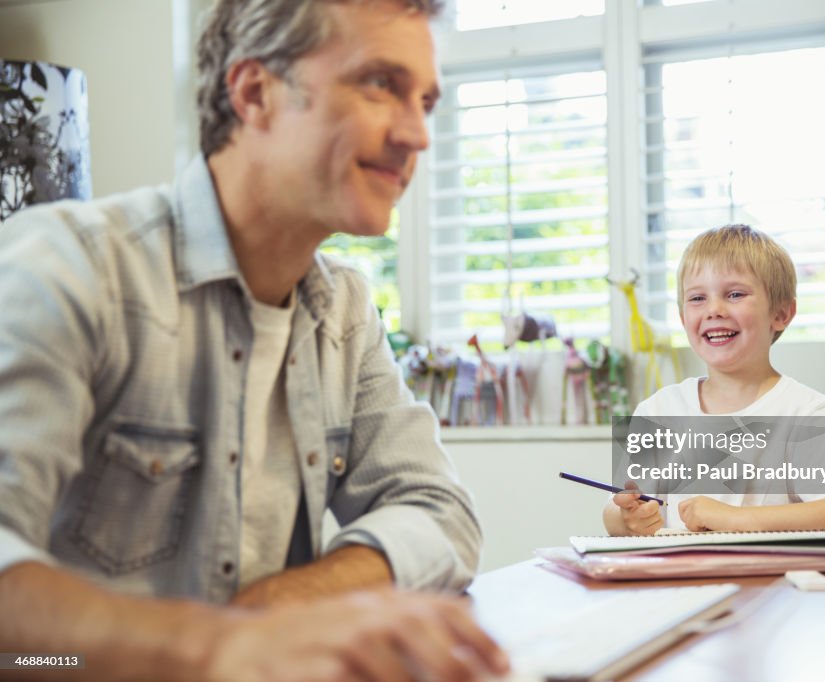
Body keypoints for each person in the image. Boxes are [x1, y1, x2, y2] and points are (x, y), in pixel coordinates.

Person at [0, 0, 510, 679]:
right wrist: (216, 644)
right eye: (381, 85)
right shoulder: (68, 269)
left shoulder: (347, 311)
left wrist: (283, 609)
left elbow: (440, 514)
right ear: (254, 93)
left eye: (427, 100)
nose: (418, 133)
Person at [604, 225, 825, 538]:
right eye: (697, 298)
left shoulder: (805, 412)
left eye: (735, 294)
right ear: (683, 319)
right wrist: (626, 518)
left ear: (781, 314)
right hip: (681, 582)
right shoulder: (658, 409)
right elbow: (616, 510)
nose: (714, 310)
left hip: (772, 583)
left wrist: (738, 519)